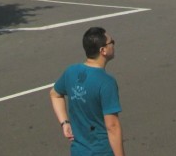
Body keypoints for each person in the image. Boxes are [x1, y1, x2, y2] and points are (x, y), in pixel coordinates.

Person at [50, 27, 125, 156]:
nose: (113, 44)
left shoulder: (71, 71)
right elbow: (112, 126)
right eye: (111, 42)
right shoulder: (107, 82)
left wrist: (65, 123)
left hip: (78, 150)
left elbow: (55, 94)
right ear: (103, 50)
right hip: (102, 151)